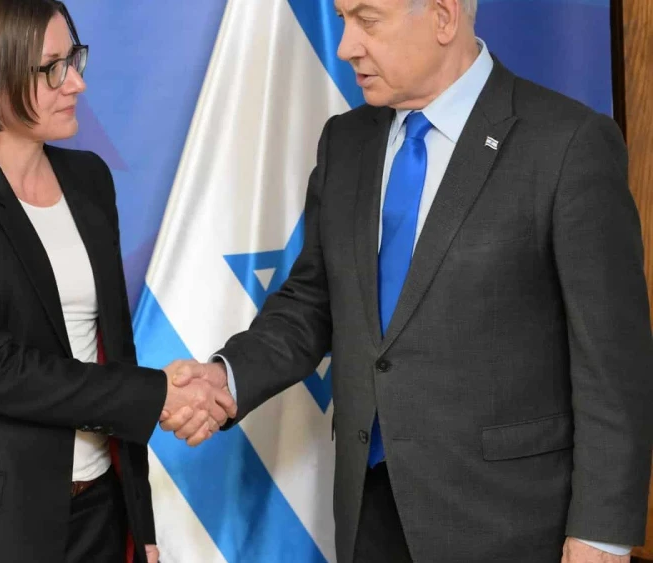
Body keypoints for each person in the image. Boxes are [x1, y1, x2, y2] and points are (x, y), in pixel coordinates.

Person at [160, 0, 653, 561]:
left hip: (511, 524)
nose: (346, 45)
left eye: (366, 20)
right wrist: (228, 379)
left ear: (443, 17)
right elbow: (314, 300)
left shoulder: (566, 144)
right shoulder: (346, 142)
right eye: (343, 19)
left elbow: (613, 364)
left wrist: (600, 533)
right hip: (371, 512)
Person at [0, 1, 235, 562]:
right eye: (53, 68)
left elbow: (112, 351)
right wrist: (159, 394)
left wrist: (137, 519)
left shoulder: (89, 179)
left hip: (98, 512)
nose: (77, 82)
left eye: (74, 58)